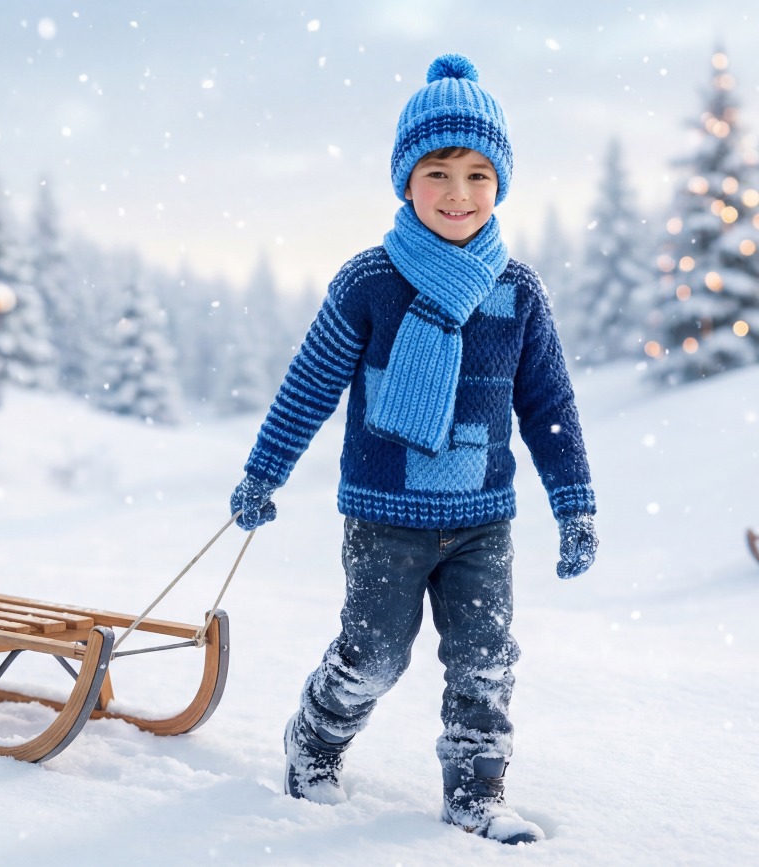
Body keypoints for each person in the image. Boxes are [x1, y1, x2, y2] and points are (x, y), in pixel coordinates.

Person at [226, 54, 596, 846]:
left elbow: (550, 409)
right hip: (385, 518)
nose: (458, 193)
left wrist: (575, 504)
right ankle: (314, 739)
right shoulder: (371, 281)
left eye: (477, 174)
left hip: (482, 521)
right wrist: (264, 472)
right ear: (405, 182)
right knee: (374, 656)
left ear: (500, 184)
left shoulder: (517, 292)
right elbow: (308, 387)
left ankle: (476, 792)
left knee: (485, 663)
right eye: (438, 173)